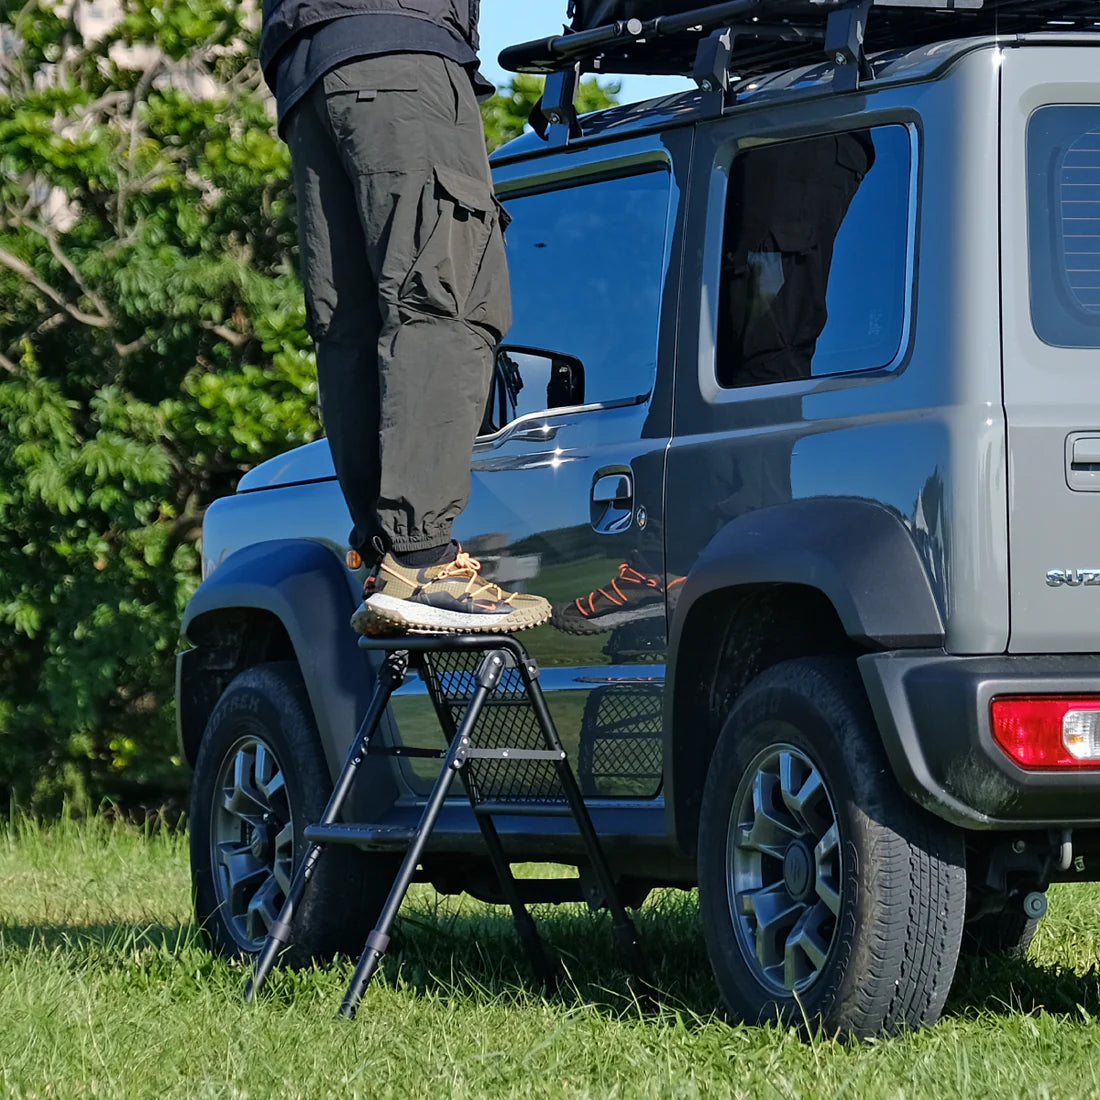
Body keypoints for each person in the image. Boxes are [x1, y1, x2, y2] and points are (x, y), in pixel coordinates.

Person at [259, 0, 552, 634]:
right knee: (444, 297)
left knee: (352, 325)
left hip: (309, 68)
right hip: (401, 53)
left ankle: (387, 555)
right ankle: (421, 559)